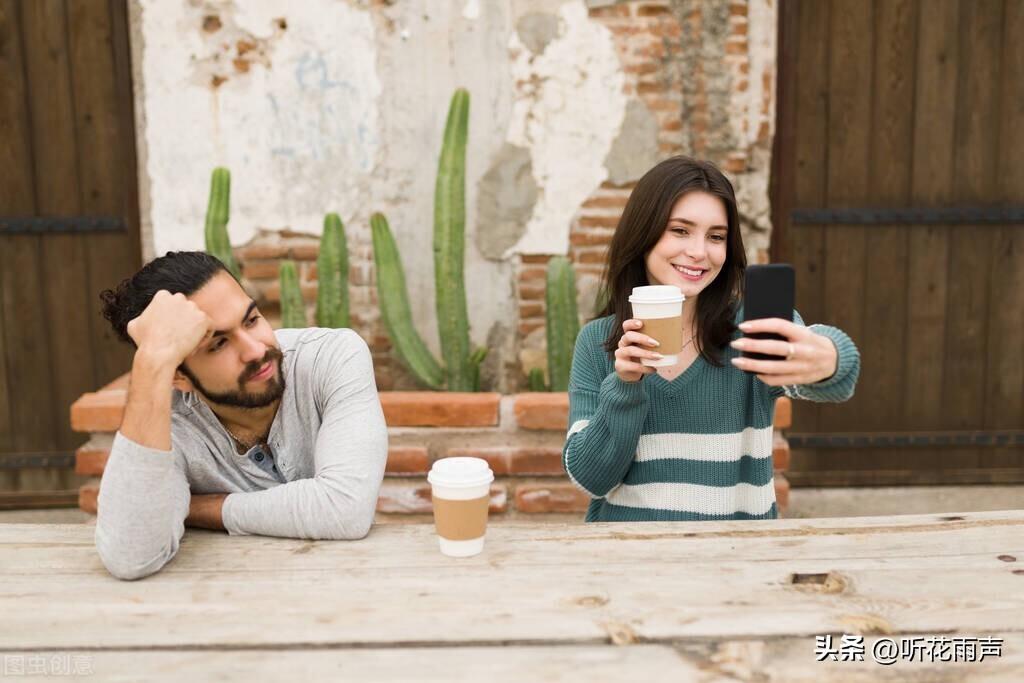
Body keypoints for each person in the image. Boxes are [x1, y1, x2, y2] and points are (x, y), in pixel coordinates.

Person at [563, 156, 860, 521]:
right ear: (644, 234)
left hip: (735, 562)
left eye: (716, 237)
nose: (699, 252)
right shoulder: (598, 342)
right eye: (680, 230)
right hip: (630, 563)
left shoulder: (750, 328)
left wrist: (830, 359)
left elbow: (833, 376)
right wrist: (625, 386)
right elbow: (591, 479)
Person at [95, 251, 387, 579]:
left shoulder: (330, 357)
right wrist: (152, 362)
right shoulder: (169, 427)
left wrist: (201, 508)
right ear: (178, 376)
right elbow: (130, 556)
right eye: (218, 344)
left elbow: (345, 508)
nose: (255, 350)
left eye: (251, 320)